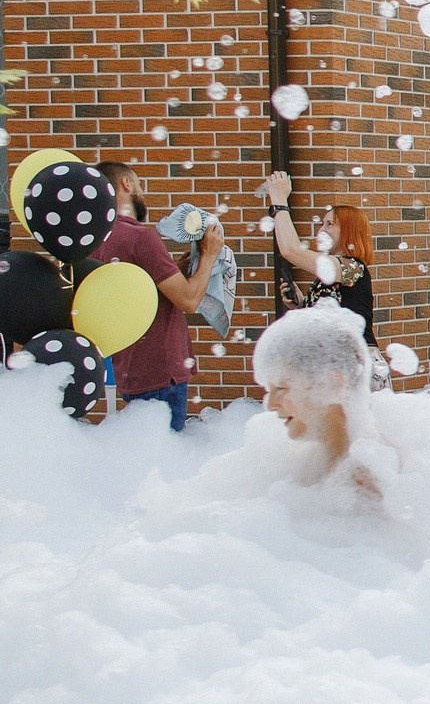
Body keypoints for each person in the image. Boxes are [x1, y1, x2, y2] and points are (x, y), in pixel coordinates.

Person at [92, 162, 223, 431]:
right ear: (126, 184)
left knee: (144, 458)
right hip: (161, 371)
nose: (141, 191)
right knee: (165, 464)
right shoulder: (140, 238)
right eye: (138, 184)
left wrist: (184, 267)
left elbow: (139, 292)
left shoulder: (96, 239)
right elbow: (187, 301)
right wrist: (208, 255)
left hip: (130, 368)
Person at [252, 304, 382, 497]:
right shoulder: (315, 466)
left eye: (281, 388)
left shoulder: (363, 484)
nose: (270, 405)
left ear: (332, 384)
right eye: (269, 390)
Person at [257, 170, 375, 342]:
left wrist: (279, 201)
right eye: (322, 224)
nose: (321, 230)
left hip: (356, 363)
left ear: (350, 230)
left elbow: (290, 250)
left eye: (330, 224)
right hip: (336, 362)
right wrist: (302, 303)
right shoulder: (335, 271)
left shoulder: (353, 268)